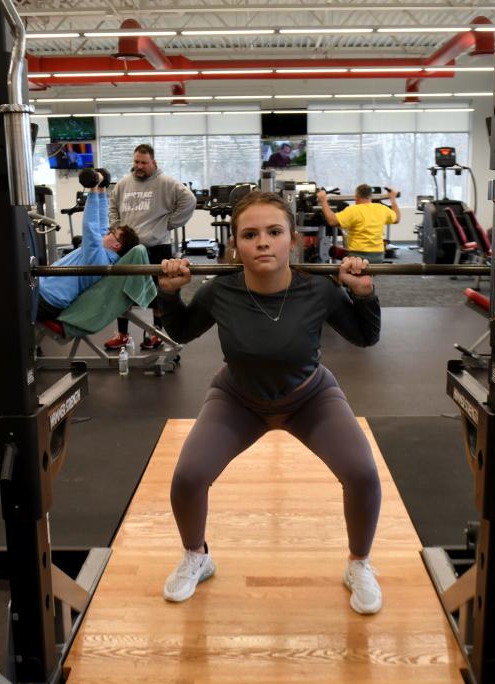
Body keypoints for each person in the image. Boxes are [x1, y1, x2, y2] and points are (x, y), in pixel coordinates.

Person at [154, 190, 385, 615]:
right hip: (237, 398)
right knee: (188, 476)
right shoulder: (220, 290)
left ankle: (359, 564)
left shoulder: (319, 289)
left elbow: (365, 337)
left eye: (274, 232)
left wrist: (364, 293)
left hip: (310, 396)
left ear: (292, 240)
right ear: (235, 245)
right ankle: (197, 556)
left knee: (363, 475)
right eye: (250, 234)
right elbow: (182, 333)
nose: (263, 241)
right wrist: (169, 295)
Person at [105, 143, 196, 351]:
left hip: (156, 246)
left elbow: (189, 201)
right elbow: (112, 205)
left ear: (153, 162)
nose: (139, 166)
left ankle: (157, 332)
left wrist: (169, 223)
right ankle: (122, 334)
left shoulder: (166, 182)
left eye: (144, 162)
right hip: (127, 248)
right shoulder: (123, 184)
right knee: (122, 291)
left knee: (158, 292)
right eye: (136, 161)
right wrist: (115, 226)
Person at [36, 183, 140, 321]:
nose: (107, 232)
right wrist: (102, 191)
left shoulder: (99, 260)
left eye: (112, 233)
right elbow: (102, 223)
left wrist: (92, 189)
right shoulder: (105, 255)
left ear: (116, 244)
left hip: (46, 300)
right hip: (43, 291)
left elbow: (90, 226)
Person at [317, 184, 400, 264]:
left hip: (358, 257)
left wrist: (323, 200)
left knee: (341, 274)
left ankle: (361, 278)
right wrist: (392, 199)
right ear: (370, 197)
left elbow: (332, 221)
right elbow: (397, 219)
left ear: (356, 196)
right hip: (378, 256)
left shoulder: (353, 210)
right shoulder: (382, 208)